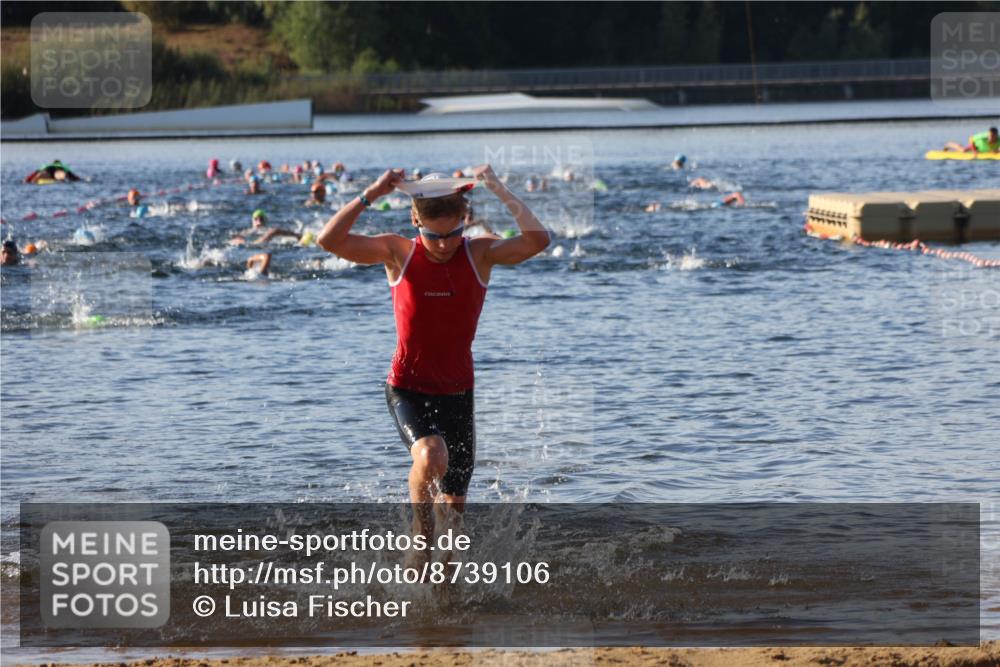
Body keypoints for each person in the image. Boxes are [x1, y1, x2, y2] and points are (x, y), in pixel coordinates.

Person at [316, 167, 549, 567]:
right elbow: (328, 240)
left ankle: (443, 613)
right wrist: (372, 193)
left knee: (453, 530)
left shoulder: (480, 253)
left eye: (453, 233)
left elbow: (538, 240)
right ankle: (419, 535)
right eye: (434, 235)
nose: (444, 245)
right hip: (408, 387)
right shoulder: (398, 252)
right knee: (429, 454)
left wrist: (496, 187)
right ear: (415, 220)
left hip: (458, 392)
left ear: (465, 220)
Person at [230, 209, 301, 246]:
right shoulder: (247, 231)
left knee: (274, 231)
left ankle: (297, 235)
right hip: (253, 244)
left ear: (265, 220)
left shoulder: (269, 229)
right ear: (252, 221)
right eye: (256, 219)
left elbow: (277, 232)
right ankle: (297, 235)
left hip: (261, 244)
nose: (259, 221)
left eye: (261, 219)